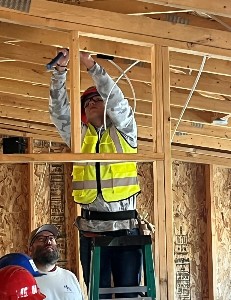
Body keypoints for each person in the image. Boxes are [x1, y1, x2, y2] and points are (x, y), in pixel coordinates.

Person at [50, 49, 142, 298]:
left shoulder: (124, 131)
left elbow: (118, 101)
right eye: (86, 102)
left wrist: (90, 65)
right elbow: (59, 112)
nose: (90, 103)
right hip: (91, 229)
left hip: (125, 228)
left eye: (96, 99)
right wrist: (60, 73)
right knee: (96, 295)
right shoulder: (80, 138)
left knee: (128, 295)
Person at [28, 224, 83, 300]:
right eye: (41, 239)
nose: (48, 242)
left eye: (52, 238)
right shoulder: (25, 279)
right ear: (30, 249)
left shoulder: (70, 277)